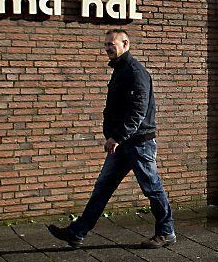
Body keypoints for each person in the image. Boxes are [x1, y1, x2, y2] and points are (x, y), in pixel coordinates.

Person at [48, 29, 176, 249]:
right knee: (103, 187)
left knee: (152, 188)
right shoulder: (120, 70)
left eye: (111, 44)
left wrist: (117, 136)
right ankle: (77, 233)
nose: (107, 48)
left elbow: (138, 110)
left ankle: (166, 232)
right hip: (123, 142)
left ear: (125, 43)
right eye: (105, 44)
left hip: (139, 143)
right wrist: (112, 134)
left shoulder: (135, 72)